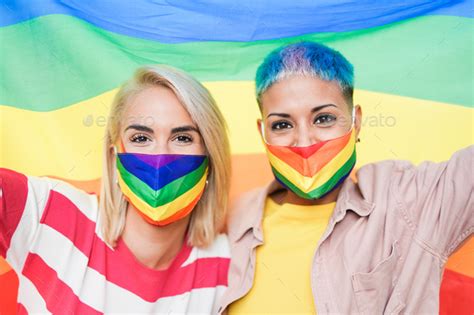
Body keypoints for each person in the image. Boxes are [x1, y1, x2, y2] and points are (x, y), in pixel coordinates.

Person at [219, 42, 473, 314]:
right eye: (282, 125)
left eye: (324, 118)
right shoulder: (230, 219)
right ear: (263, 132)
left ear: (357, 121)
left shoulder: (408, 203)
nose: (304, 142)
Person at [0, 65, 232, 313]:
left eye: (183, 138)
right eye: (141, 138)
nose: (160, 156)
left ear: (211, 158)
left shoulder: (226, 267)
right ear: (115, 158)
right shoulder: (49, 213)